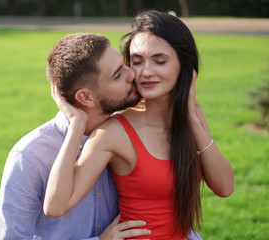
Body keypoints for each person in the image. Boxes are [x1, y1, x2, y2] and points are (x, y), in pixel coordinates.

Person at [43, 10, 234, 240]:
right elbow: (55, 205)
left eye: (160, 61)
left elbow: (225, 187)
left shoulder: (193, 115)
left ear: (184, 65)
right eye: (136, 61)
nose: (146, 72)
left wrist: (193, 120)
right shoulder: (114, 133)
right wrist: (76, 124)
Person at [0, 33, 152, 240]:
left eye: (124, 65)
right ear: (85, 97)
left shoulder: (134, 133)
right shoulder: (29, 156)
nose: (132, 73)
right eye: (117, 75)